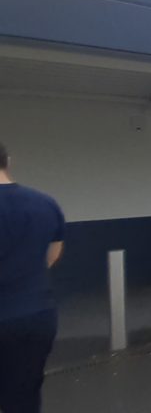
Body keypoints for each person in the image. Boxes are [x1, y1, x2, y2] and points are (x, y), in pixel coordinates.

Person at [0, 141, 65, 413]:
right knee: (24, 398)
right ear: (9, 161)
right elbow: (52, 256)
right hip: (38, 317)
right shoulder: (45, 203)